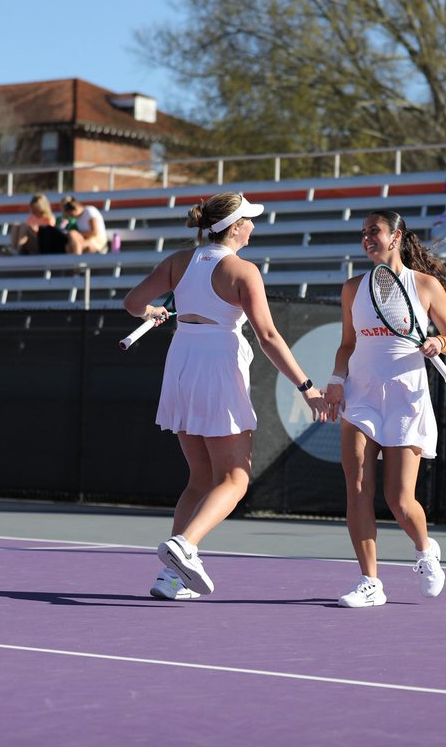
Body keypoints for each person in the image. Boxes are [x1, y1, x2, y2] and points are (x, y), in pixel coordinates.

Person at [123, 192, 327, 601]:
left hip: (182, 364)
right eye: (249, 220)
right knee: (235, 478)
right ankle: (185, 546)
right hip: (216, 366)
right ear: (235, 227)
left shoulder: (179, 262)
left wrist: (152, 313)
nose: (253, 225)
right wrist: (307, 387)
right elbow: (268, 336)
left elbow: (133, 303)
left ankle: (170, 578)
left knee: (200, 480)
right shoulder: (243, 271)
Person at [325, 210, 446, 608]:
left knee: (400, 500)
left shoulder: (426, 285)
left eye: (375, 231)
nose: (367, 238)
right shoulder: (352, 288)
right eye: (363, 233)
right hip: (361, 395)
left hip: (406, 397)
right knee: (356, 490)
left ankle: (424, 551)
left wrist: (440, 343)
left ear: (396, 236)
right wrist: (336, 382)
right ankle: (370, 582)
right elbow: (348, 344)